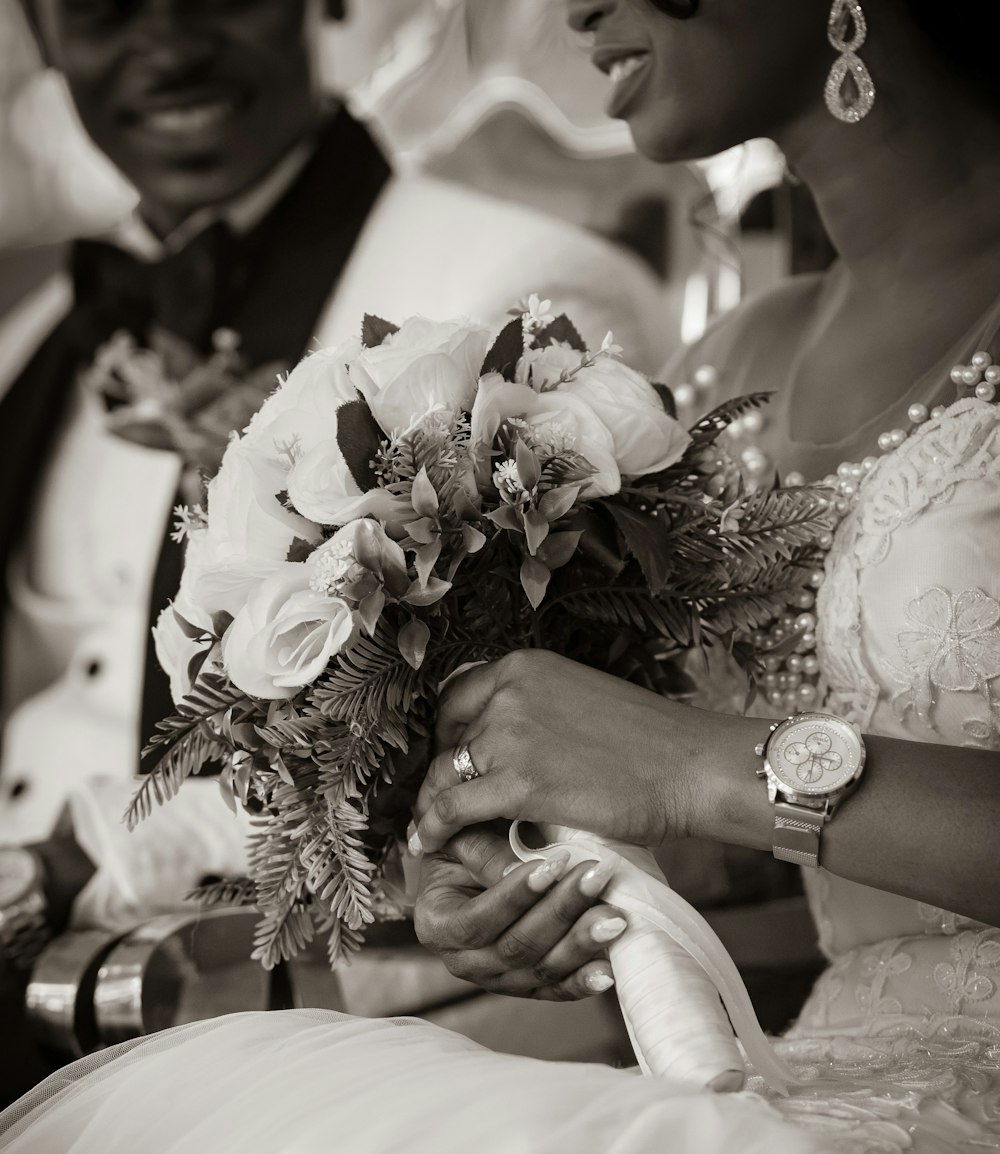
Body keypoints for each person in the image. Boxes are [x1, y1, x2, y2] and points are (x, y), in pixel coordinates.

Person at [2, 0, 999, 1150]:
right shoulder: (730, 367)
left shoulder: (543, 301)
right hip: (809, 1067)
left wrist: (699, 768)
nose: (577, 6)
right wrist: (525, 875)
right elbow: (702, 833)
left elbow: (687, 762)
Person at [0, 0, 672, 1102]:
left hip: (305, 1005)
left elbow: (503, 733)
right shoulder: (45, 350)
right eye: (103, 7)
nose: (167, 46)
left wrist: (77, 869)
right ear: (38, 30)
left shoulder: (518, 291)